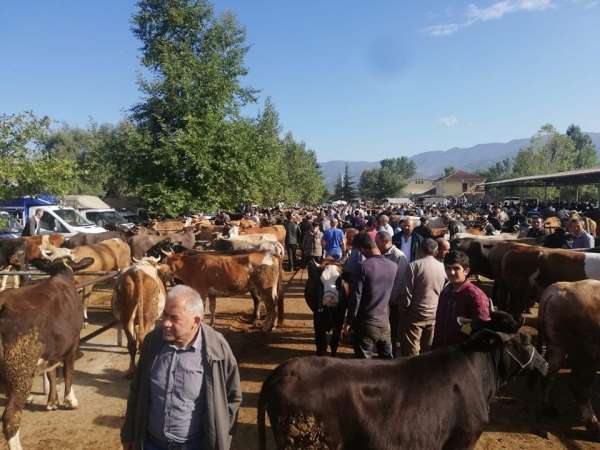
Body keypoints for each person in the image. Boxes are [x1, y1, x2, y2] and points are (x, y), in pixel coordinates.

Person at [121, 285, 242, 450]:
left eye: (174, 318)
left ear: (196, 321)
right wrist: (129, 433)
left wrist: (221, 438)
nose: (165, 323)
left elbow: (232, 398)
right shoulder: (152, 343)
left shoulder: (217, 349)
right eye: (164, 315)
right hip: (151, 444)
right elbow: (137, 391)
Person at [345, 232, 398, 359]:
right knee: (387, 364)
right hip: (385, 322)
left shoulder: (362, 267)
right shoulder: (393, 266)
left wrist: (349, 322)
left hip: (366, 324)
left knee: (364, 367)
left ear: (363, 249)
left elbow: (356, 297)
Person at [432, 251, 490, 349]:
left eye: (456, 268)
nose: (451, 272)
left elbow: (482, 329)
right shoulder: (445, 291)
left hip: (461, 355)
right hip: (440, 351)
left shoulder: (475, 295)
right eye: (448, 268)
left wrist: (466, 326)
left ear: (466, 271)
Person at [399, 239, 447, 357]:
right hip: (433, 313)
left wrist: (404, 309)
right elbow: (444, 291)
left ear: (420, 250)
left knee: (411, 348)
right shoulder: (442, 268)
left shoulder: (414, 266)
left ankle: (412, 371)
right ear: (436, 251)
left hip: (415, 314)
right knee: (428, 348)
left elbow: (407, 292)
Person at [375, 231, 408, 357]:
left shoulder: (399, 256)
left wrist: (389, 300)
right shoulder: (381, 254)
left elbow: (400, 282)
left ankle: (391, 356)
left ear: (385, 242)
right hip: (382, 302)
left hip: (392, 304)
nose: (375, 244)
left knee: (392, 332)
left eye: (377, 242)